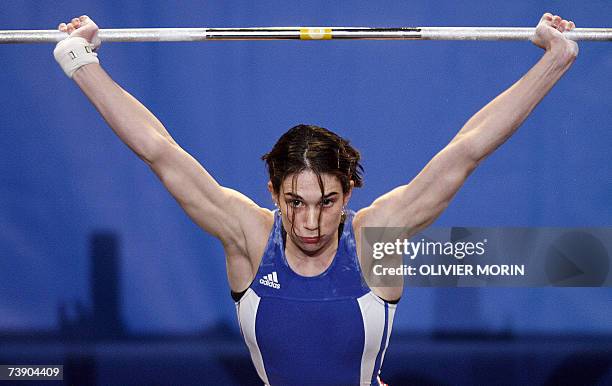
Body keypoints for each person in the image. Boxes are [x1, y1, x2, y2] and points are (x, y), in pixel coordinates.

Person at [53, 12, 578, 386]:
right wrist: (82, 61)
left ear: (349, 192)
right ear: (273, 194)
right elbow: (158, 152)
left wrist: (554, 61)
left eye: (327, 202)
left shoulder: (376, 236)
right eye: (294, 201)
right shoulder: (248, 234)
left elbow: (467, 150)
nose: (310, 221)